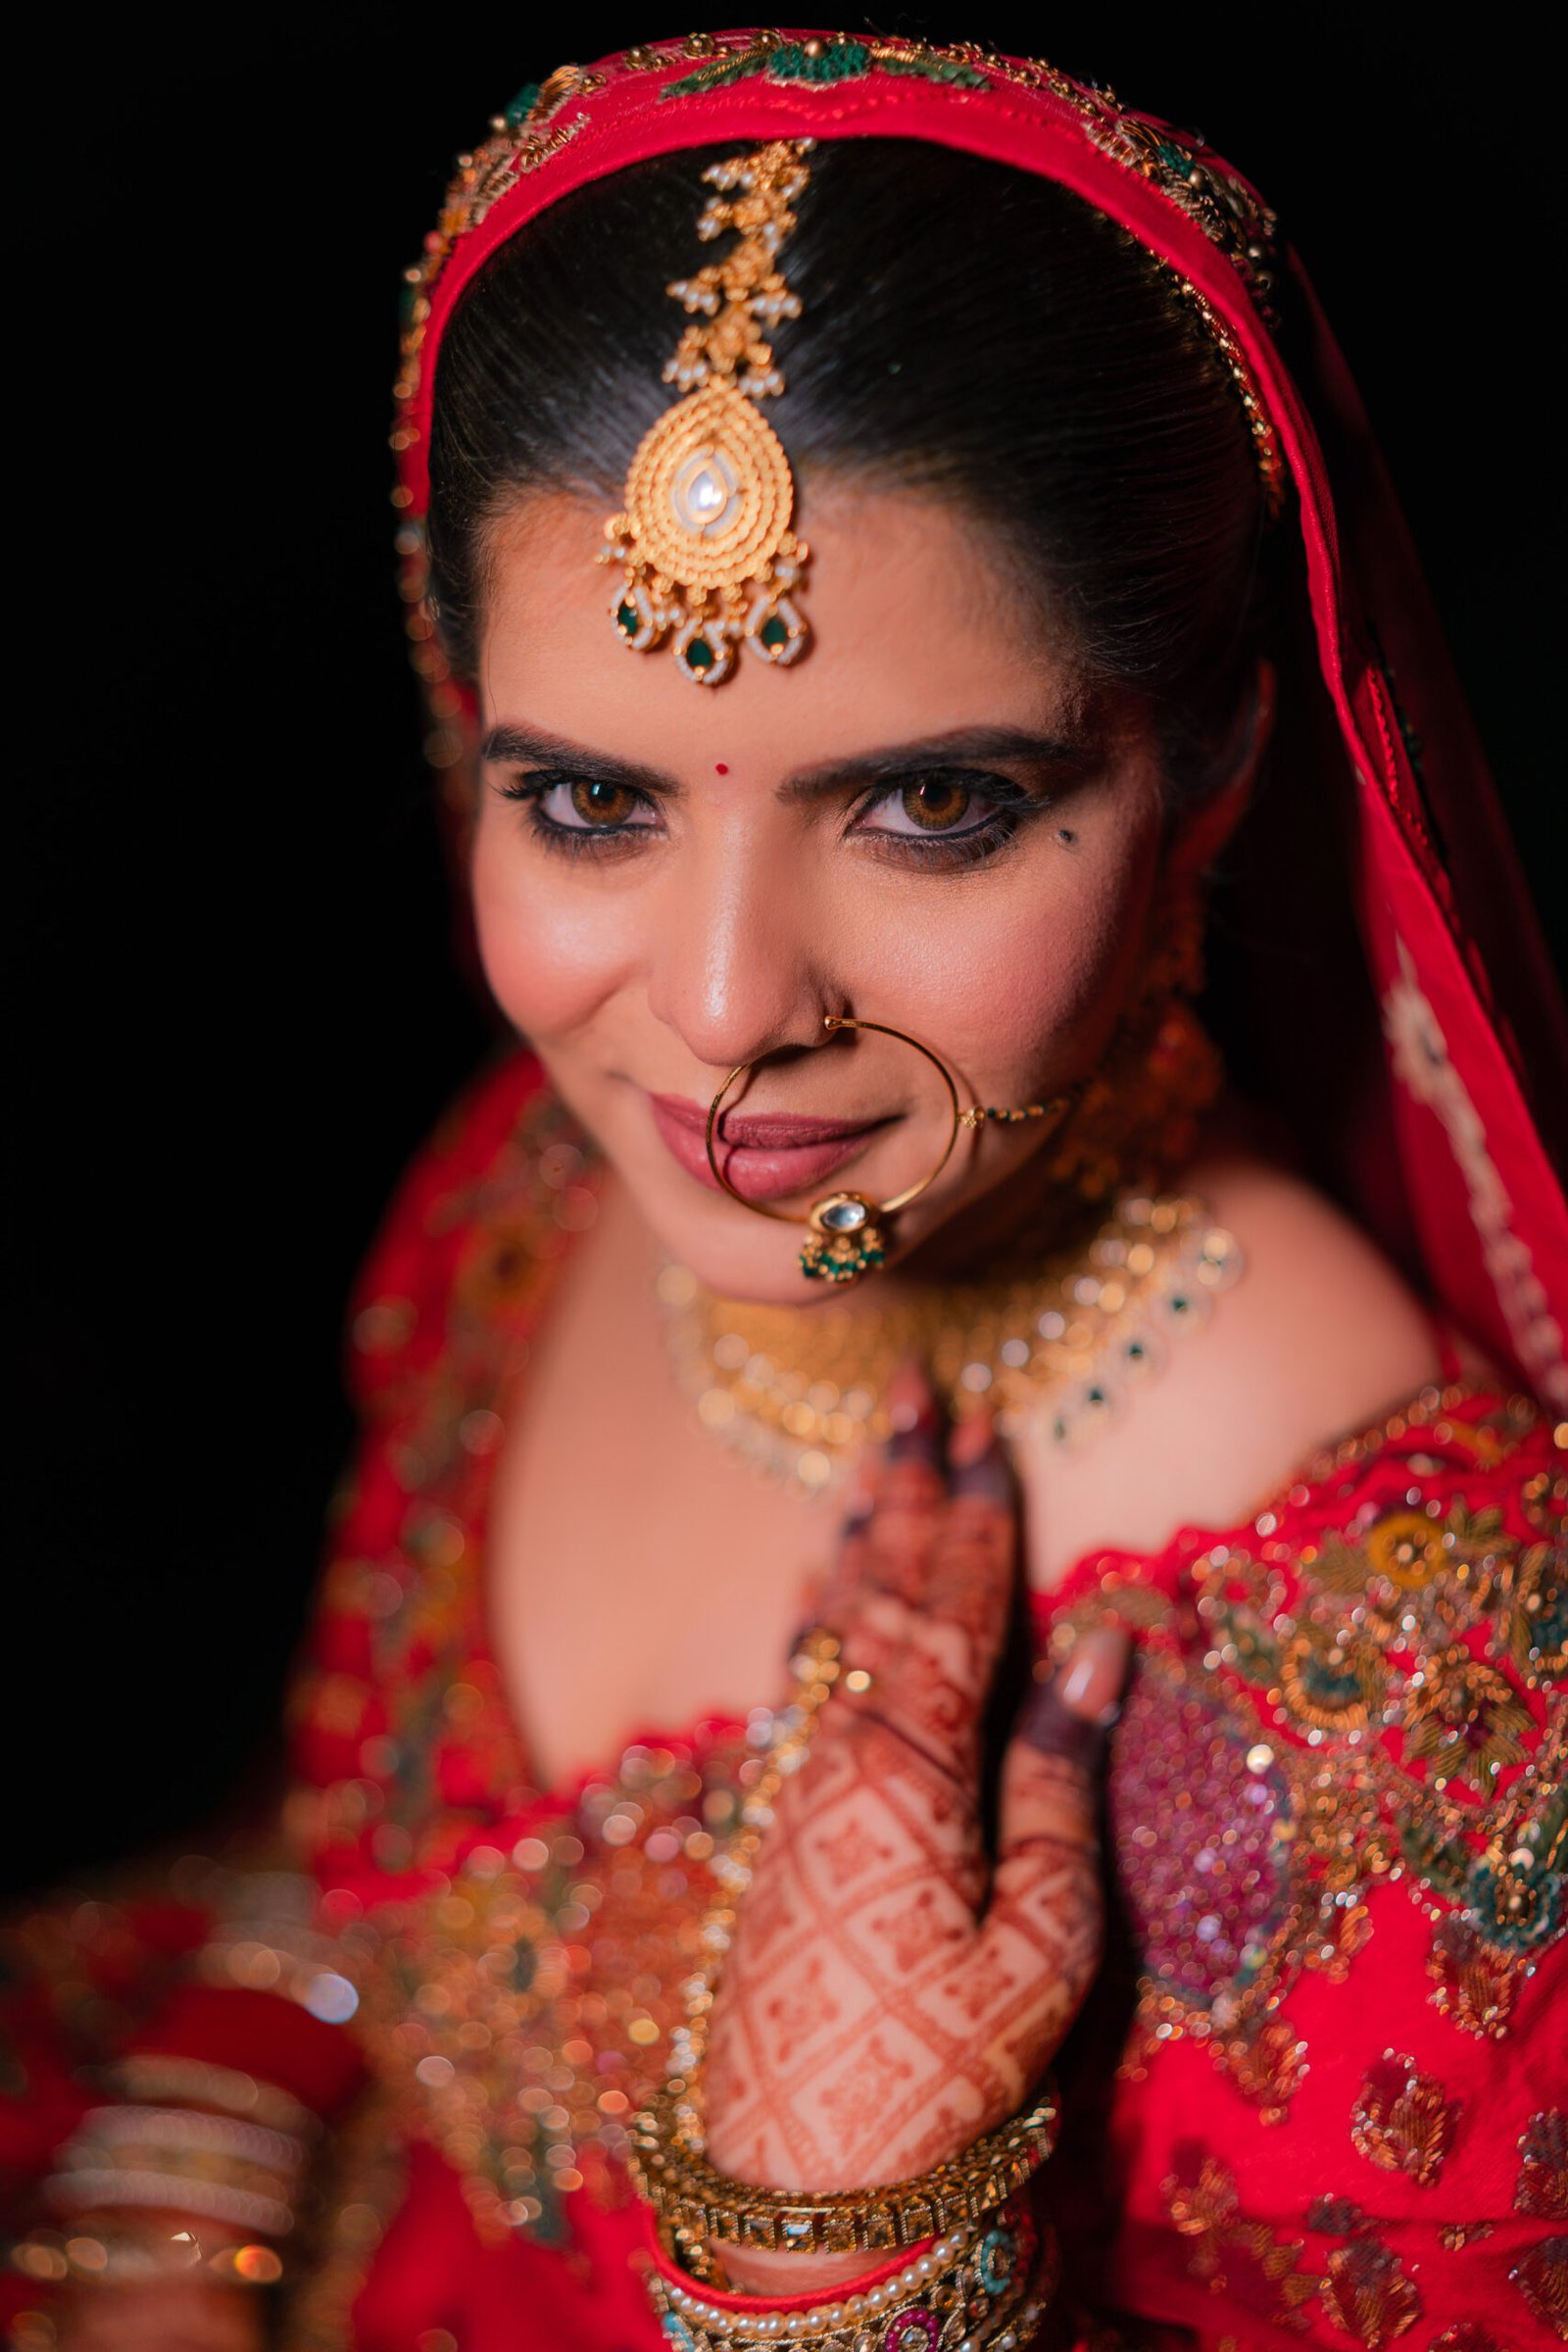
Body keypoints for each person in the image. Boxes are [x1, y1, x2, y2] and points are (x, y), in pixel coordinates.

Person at [5, 28, 1565, 2352]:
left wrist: (842, 2269)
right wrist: (169, 2225)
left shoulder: (1417, 1689)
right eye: (588, 805)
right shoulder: (531, 1204)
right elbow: (340, 1879)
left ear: (1218, 756)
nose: (724, 1011)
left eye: (927, 804)